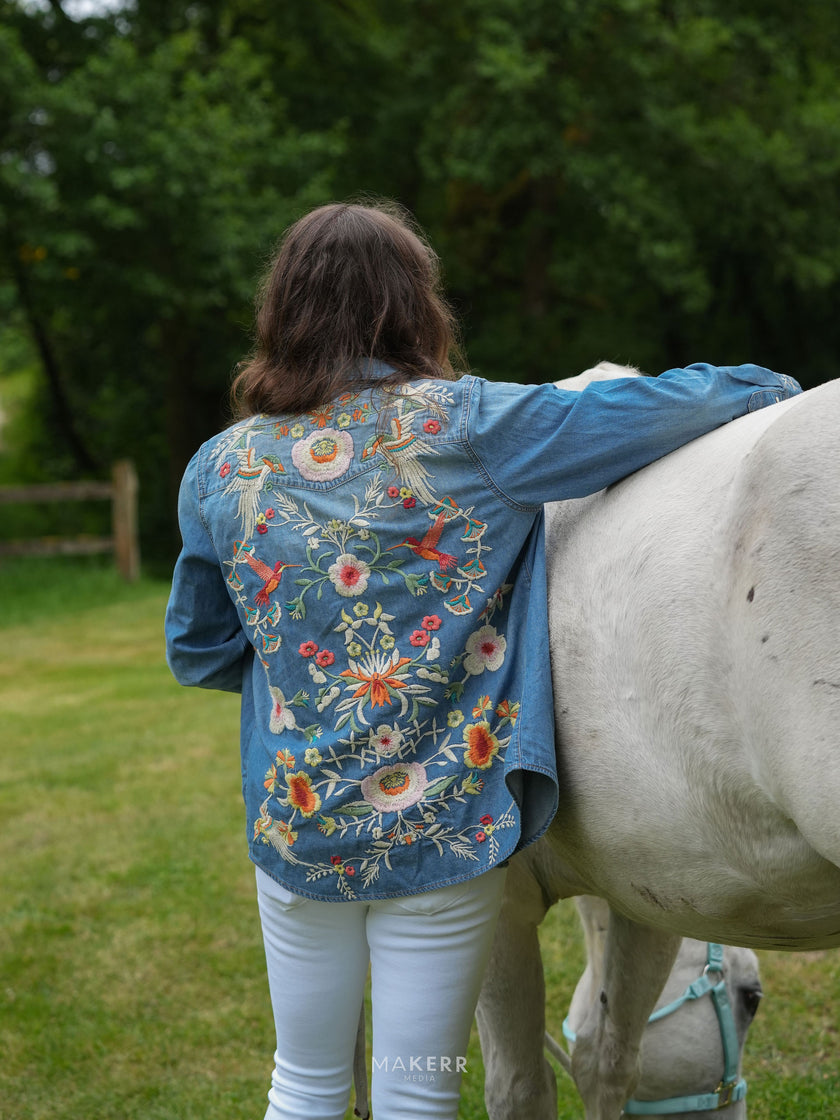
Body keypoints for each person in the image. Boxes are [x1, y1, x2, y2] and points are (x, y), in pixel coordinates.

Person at [164, 199, 801, 1120]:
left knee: (301, 1083)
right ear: (413, 304)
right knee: (416, 1086)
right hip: (445, 830)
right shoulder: (469, 429)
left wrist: (311, 670)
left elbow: (198, 648)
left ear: (282, 311)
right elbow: (645, 409)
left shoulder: (221, 468)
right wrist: (768, 387)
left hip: (298, 827)